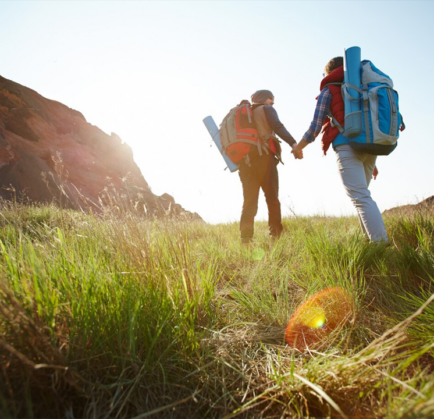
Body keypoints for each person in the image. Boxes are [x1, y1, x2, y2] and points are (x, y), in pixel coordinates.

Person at [291, 57, 388, 242]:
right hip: (370, 148)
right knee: (362, 197)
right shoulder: (363, 88)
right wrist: (371, 160)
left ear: (329, 73)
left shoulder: (329, 90)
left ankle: (381, 244)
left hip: (347, 146)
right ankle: (369, 242)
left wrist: (298, 147)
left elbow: (315, 126)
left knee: (360, 197)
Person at [239, 90, 300, 245]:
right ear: (263, 99)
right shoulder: (266, 109)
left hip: (245, 163)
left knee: (249, 201)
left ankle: (246, 239)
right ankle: (276, 235)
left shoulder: (245, 114)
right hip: (264, 159)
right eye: (271, 98)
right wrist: (294, 144)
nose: (273, 101)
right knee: (272, 199)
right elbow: (278, 126)